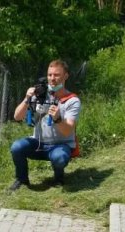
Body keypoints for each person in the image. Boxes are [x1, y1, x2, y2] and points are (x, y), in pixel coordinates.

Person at [8, 59, 81, 192]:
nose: (52, 79)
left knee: (59, 158)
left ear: (65, 76)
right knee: (17, 147)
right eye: (50, 75)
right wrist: (27, 99)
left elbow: (67, 131)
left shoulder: (72, 100)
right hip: (39, 143)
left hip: (60, 145)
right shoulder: (40, 94)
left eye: (57, 75)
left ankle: (59, 178)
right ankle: (22, 179)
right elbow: (17, 117)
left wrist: (58, 118)